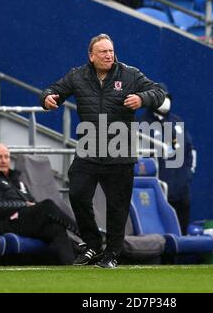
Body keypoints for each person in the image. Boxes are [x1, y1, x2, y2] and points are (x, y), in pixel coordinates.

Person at [40, 34, 165, 268]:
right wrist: (47, 98)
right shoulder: (77, 75)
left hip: (120, 150)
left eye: (111, 51)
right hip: (89, 149)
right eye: (103, 52)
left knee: (117, 208)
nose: (109, 55)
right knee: (77, 194)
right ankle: (93, 245)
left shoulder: (130, 74)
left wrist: (141, 98)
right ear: (91, 56)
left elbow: (158, 93)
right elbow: (53, 89)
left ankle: (112, 255)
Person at [0, 142, 80, 265]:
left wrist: (28, 207)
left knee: (56, 228)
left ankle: (71, 265)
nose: (3, 161)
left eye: (6, 157)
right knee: (47, 205)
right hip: (2, 223)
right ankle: (84, 233)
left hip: (21, 220)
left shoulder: (16, 180)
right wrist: (23, 206)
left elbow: (31, 202)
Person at [137, 85, 196, 235]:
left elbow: (190, 152)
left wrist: (187, 176)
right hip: (159, 191)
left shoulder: (177, 122)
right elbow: (141, 160)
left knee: (180, 234)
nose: (165, 101)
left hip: (181, 191)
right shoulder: (141, 124)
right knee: (161, 235)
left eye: (167, 97)